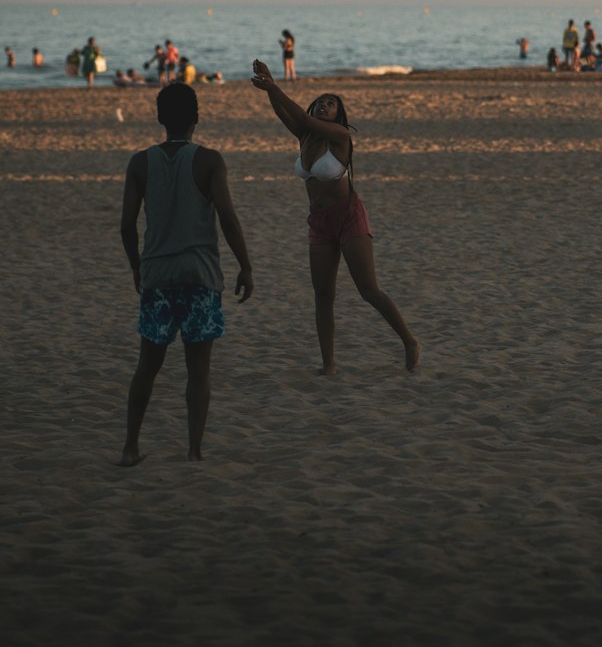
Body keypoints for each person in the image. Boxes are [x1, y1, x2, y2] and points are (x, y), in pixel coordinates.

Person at [251, 58, 420, 375]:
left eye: (331, 104)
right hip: (319, 222)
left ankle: (409, 341)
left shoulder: (340, 136)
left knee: (368, 289)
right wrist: (268, 91)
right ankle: (328, 364)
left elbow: (299, 114)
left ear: (338, 116)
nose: (324, 105)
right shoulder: (305, 137)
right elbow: (286, 114)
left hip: (348, 217)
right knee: (323, 295)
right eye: (321, 102)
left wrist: (274, 84)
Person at [119, 82, 253, 465]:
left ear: (160, 118)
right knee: (198, 369)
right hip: (200, 276)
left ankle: (131, 447)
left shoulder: (140, 163)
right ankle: (194, 450)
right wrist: (246, 265)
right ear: (197, 117)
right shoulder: (209, 160)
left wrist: (136, 264)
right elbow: (227, 218)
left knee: (148, 365)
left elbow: (127, 225)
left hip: (158, 275)